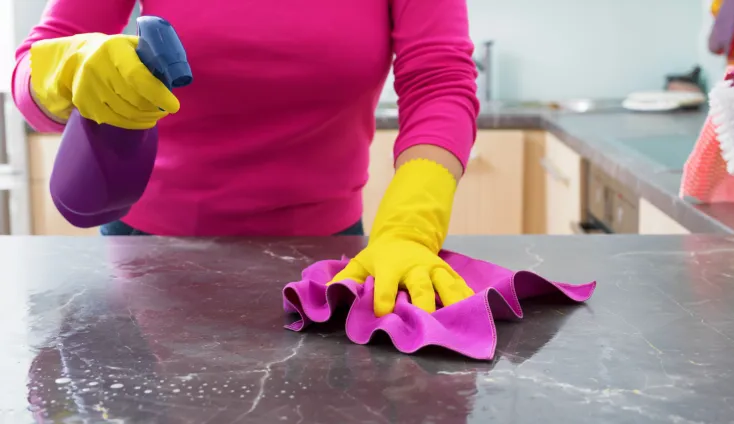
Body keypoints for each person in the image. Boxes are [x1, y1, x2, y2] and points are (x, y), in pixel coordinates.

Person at [12, 0, 480, 316]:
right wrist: (68, 68)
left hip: (324, 260)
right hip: (144, 254)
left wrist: (410, 229)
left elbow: (439, 82)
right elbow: (33, 65)